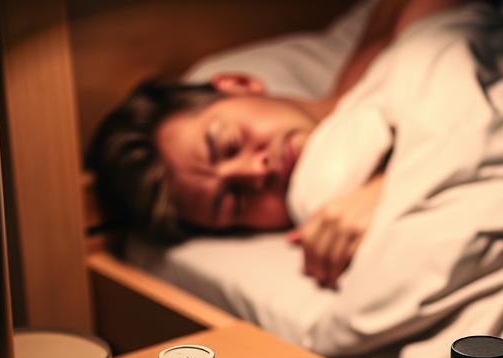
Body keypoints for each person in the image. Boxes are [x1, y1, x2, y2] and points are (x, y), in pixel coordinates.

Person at [89, 0, 474, 288]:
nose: (256, 171)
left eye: (229, 144)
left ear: (239, 84)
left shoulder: (377, 53)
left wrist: (388, 189)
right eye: (234, 200)